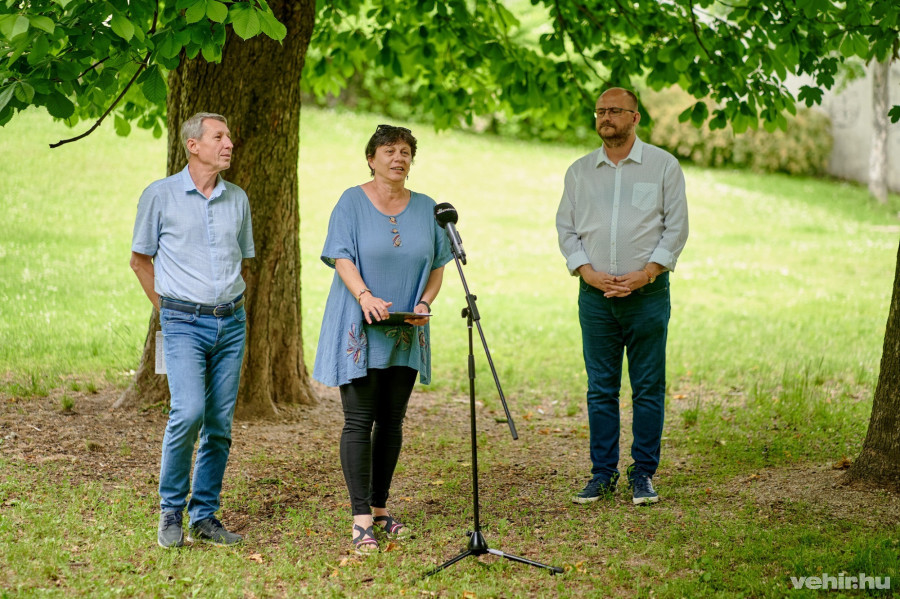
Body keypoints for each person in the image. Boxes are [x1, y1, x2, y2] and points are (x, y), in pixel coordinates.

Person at [313, 124, 452, 555]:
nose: (398, 158)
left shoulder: (428, 208)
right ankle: (360, 519)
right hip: (359, 324)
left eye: (406, 151)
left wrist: (425, 302)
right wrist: (365, 296)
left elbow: (438, 266)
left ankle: (379, 509)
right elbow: (341, 256)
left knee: (392, 422)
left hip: (405, 330)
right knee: (359, 420)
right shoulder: (351, 202)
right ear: (371, 159)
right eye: (389, 150)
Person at [555, 88, 689, 505]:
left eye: (615, 110)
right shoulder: (580, 172)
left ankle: (643, 473)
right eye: (600, 111)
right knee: (600, 389)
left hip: (647, 295)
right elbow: (566, 229)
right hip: (595, 298)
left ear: (635, 117)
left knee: (647, 387)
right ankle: (602, 473)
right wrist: (588, 273)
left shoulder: (663, 166)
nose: (606, 117)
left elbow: (676, 227)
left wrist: (646, 274)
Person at [130, 112, 255, 548]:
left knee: (219, 423)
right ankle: (170, 511)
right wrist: (168, 312)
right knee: (188, 413)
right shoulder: (159, 195)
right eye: (219, 136)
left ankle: (204, 516)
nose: (229, 143)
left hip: (232, 323)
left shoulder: (237, 199)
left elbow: (241, 260)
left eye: (229, 136)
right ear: (193, 145)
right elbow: (139, 261)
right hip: (181, 323)